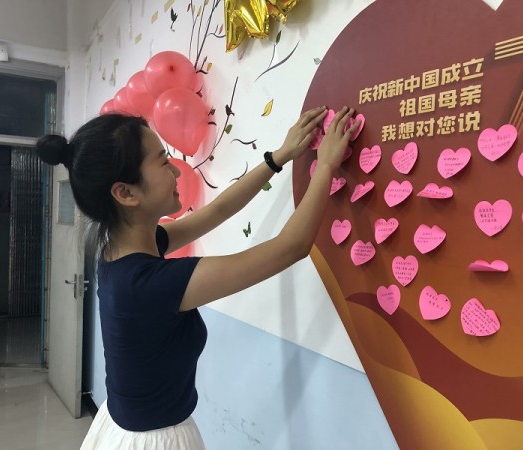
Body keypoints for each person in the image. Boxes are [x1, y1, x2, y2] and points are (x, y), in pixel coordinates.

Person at [36, 105, 358, 450]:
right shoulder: (149, 285)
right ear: (126, 193)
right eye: (163, 162)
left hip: (124, 427)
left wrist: (278, 157)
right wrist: (326, 165)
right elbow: (290, 247)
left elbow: (217, 211)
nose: (176, 170)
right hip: (155, 441)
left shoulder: (121, 252)